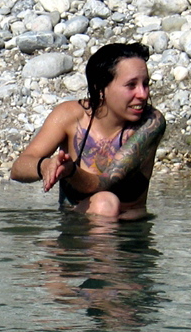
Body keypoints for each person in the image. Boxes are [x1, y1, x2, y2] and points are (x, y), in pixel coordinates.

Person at [10, 42, 165, 219]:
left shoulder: (151, 123)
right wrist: (45, 166)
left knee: (104, 202)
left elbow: (103, 184)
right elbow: (18, 169)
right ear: (100, 89)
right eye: (131, 85)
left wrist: (69, 171)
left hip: (130, 238)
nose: (143, 94)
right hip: (75, 230)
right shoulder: (69, 116)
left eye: (145, 84)